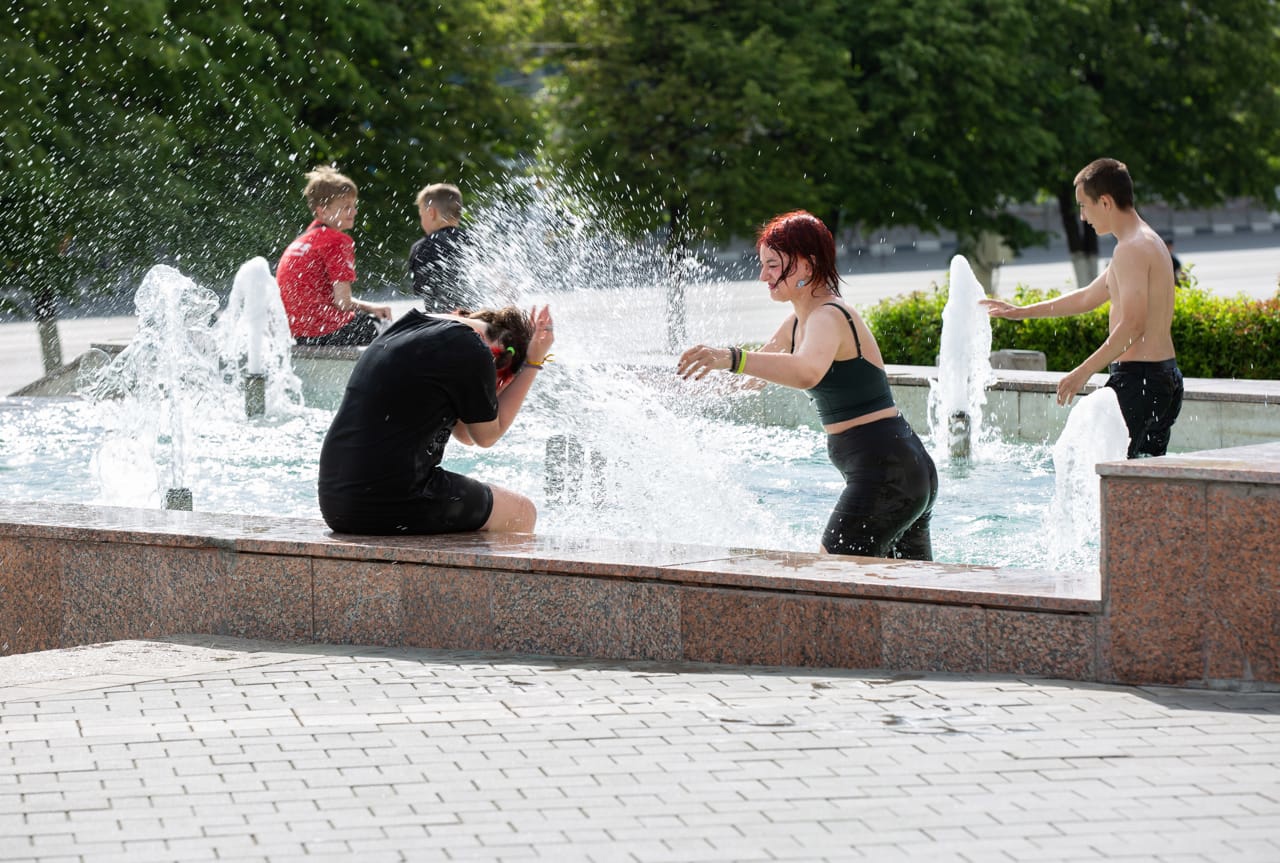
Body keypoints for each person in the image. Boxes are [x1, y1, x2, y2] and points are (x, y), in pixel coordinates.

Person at [677, 210, 938, 560]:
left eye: (773, 265)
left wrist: (732, 356)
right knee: (911, 593)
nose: (763, 276)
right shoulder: (797, 323)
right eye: (762, 264)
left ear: (806, 265)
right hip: (900, 469)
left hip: (886, 473)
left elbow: (805, 372)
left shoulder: (829, 315)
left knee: (830, 578)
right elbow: (753, 380)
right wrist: (679, 392)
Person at [981, 158, 1183, 458]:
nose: (1083, 216)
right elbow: (1088, 297)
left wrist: (1082, 372)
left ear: (1105, 202)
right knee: (1143, 488)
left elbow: (1133, 325)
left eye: (1083, 206)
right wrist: (1021, 311)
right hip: (1162, 379)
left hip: (1139, 382)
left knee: (1104, 479)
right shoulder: (1144, 241)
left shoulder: (1131, 248)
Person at [318, 304, 555, 536]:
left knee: (481, 518)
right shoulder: (472, 349)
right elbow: (486, 436)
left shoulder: (409, 326)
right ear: (501, 358)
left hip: (337, 503)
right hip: (391, 499)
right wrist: (533, 363)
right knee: (522, 513)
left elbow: (466, 435)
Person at [277, 165, 392, 346]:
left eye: (354, 206)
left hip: (299, 334)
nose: (354, 212)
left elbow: (330, 298)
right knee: (390, 332)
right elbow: (343, 303)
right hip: (327, 330)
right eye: (346, 207)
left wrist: (369, 307)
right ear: (323, 211)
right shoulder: (337, 240)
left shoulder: (303, 240)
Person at [409, 183, 470, 312]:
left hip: (443, 322)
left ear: (431, 213)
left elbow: (420, 288)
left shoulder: (424, 247)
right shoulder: (475, 240)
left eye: (421, 215)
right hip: (478, 319)